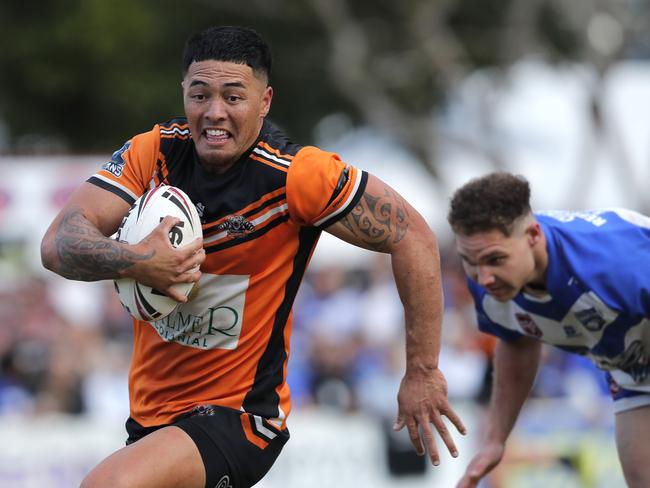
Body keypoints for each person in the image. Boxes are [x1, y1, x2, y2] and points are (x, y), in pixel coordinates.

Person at [40, 26, 465, 488]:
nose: (214, 112)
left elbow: (414, 237)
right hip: (150, 422)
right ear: (183, 92)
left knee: (107, 486)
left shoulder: (297, 176)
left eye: (233, 97)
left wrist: (422, 372)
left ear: (264, 102)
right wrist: (139, 260)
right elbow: (57, 243)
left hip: (240, 417)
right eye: (199, 95)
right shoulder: (154, 153)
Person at [447, 171, 650, 488]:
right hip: (634, 375)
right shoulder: (488, 283)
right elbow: (517, 343)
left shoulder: (617, 262)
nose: (483, 277)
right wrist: (496, 440)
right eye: (469, 260)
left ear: (533, 236)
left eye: (495, 259)